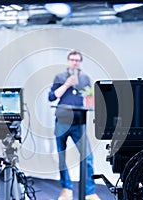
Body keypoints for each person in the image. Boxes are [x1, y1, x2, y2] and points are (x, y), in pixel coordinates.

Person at [48, 50, 100, 200]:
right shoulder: (60, 77)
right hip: (62, 122)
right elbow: (51, 97)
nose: (75, 62)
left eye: (77, 60)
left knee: (88, 157)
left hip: (79, 123)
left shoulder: (85, 79)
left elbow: (89, 98)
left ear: (80, 62)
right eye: (72, 59)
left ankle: (90, 192)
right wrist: (66, 84)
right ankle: (67, 189)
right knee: (62, 157)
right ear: (68, 61)